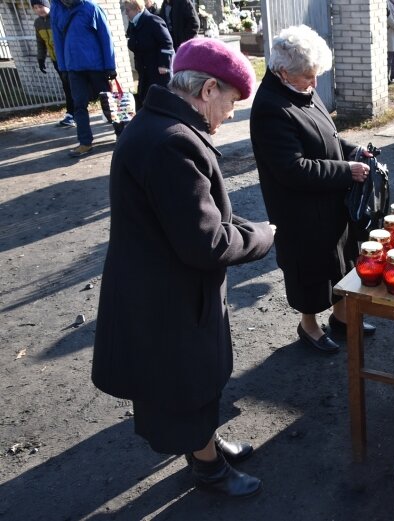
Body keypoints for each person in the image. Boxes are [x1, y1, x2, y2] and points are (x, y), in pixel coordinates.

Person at [92, 38, 274, 497]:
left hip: (161, 285)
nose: (232, 113)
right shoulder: (173, 142)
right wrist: (265, 235)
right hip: (167, 295)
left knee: (193, 378)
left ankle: (206, 445)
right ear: (208, 89)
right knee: (186, 383)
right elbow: (207, 242)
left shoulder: (159, 125)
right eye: (232, 102)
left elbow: (199, 219)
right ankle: (208, 468)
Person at [250, 25, 375, 354]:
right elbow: (293, 169)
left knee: (340, 258)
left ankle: (342, 314)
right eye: (308, 76)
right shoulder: (270, 108)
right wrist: (347, 171)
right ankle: (308, 325)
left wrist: (352, 151)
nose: (315, 83)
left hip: (329, 199)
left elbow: (328, 136)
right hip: (299, 209)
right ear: (282, 72)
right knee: (310, 268)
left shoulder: (301, 87)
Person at [50, 0, 116, 158]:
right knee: (79, 105)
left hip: (96, 66)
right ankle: (85, 142)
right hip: (73, 67)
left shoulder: (91, 8)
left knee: (108, 102)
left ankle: (122, 134)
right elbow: (58, 40)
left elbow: (105, 37)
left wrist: (110, 65)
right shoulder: (56, 10)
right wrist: (63, 67)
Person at [31, 0, 75, 128]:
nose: (39, 9)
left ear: (48, 6)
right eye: (36, 7)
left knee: (73, 86)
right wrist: (41, 59)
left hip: (68, 59)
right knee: (67, 87)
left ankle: (75, 112)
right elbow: (41, 43)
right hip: (56, 61)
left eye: (41, 6)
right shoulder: (37, 23)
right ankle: (71, 114)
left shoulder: (56, 18)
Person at [123, 0, 173, 108]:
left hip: (157, 71)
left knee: (161, 102)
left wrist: (163, 64)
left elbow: (167, 43)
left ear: (137, 9)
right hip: (144, 70)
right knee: (145, 100)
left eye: (128, 10)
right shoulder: (134, 24)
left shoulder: (153, 20)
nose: (126, 13)